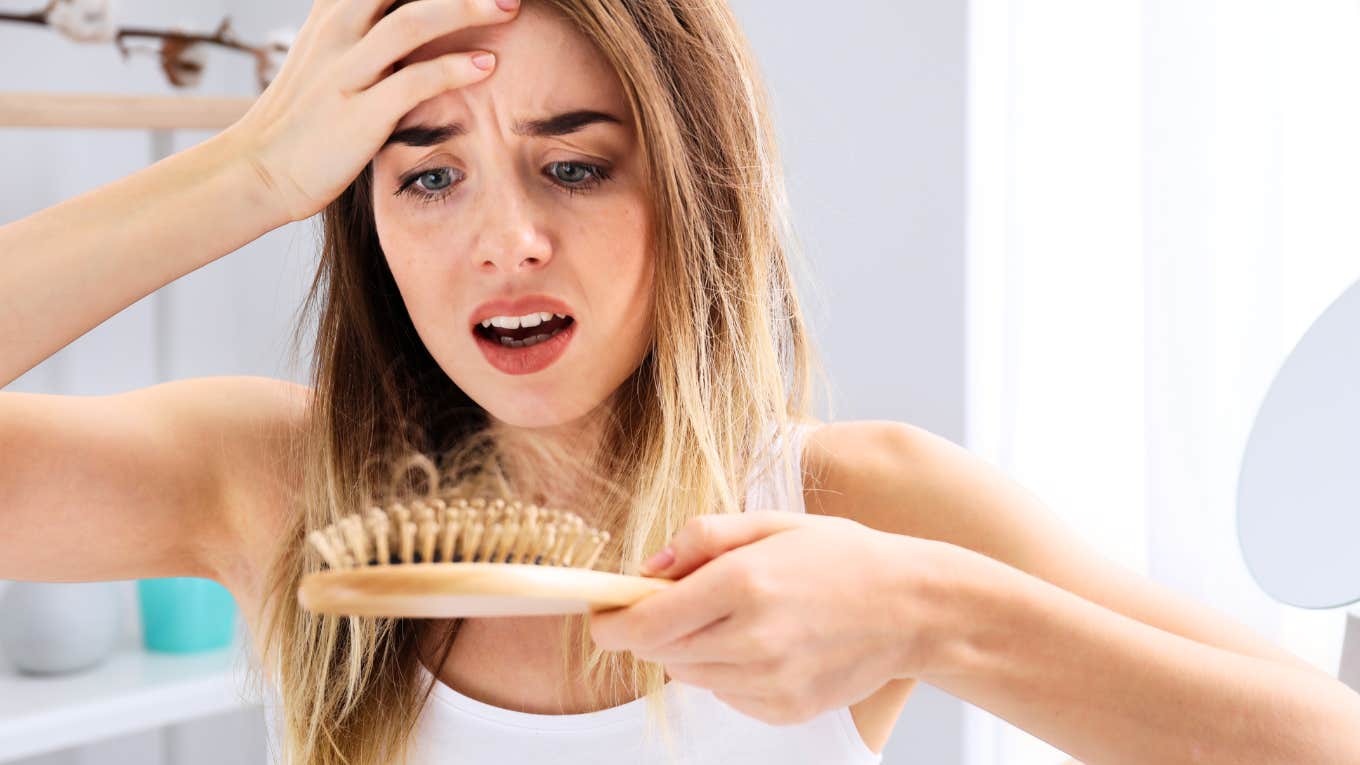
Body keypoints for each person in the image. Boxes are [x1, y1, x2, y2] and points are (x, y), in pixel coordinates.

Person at [3, 0, 1359, 763]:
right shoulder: (275, 487)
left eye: (576, 163)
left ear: (694, 191)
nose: (504, 239)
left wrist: (936, 615)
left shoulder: (855, 508)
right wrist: (244, 170)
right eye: (426, 174)